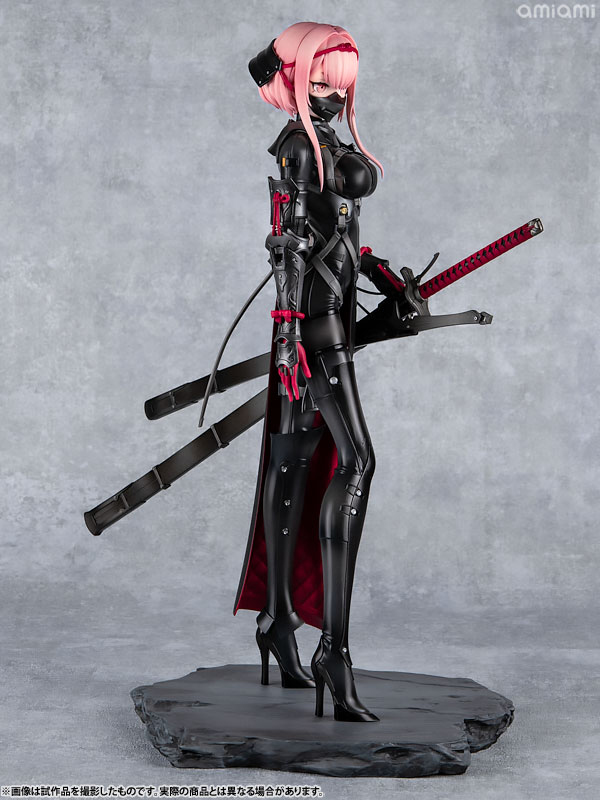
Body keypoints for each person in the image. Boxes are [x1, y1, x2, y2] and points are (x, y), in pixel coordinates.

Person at [234, 21, 385, 722]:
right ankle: (334, 652)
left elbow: (338, 234)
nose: (330, 94)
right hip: (316, 329)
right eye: (320, 81)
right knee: (357, 461)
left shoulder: (328, 142)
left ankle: (277, 620)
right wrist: (291, 335)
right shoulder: (300, 147)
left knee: (293, 460)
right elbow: (289, 246)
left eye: (340, 83)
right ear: (295, 78)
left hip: (331, 318)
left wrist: (383, 276)